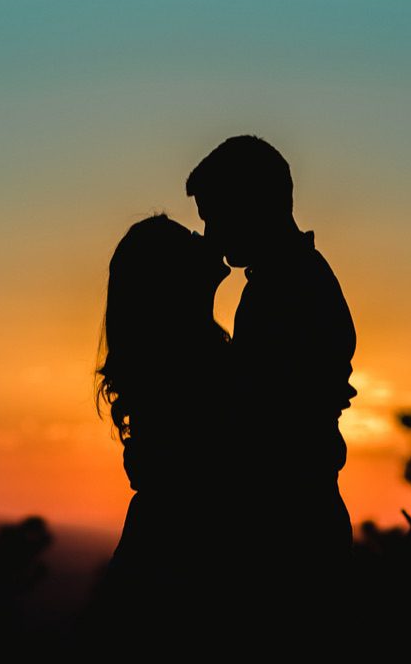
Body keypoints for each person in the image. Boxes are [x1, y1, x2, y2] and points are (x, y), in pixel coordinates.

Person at [186, 135, 358, 629]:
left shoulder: (287, 290)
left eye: (213, 214)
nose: (209, 232)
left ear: (251, 203)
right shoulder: (289, 280)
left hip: (290, 533)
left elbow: (251, 416)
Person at [87, 212, 239, 642]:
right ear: (171, 283)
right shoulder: (192, 371)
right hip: (178, 575)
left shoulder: (193, 360)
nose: (204, 238)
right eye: (189, 238)